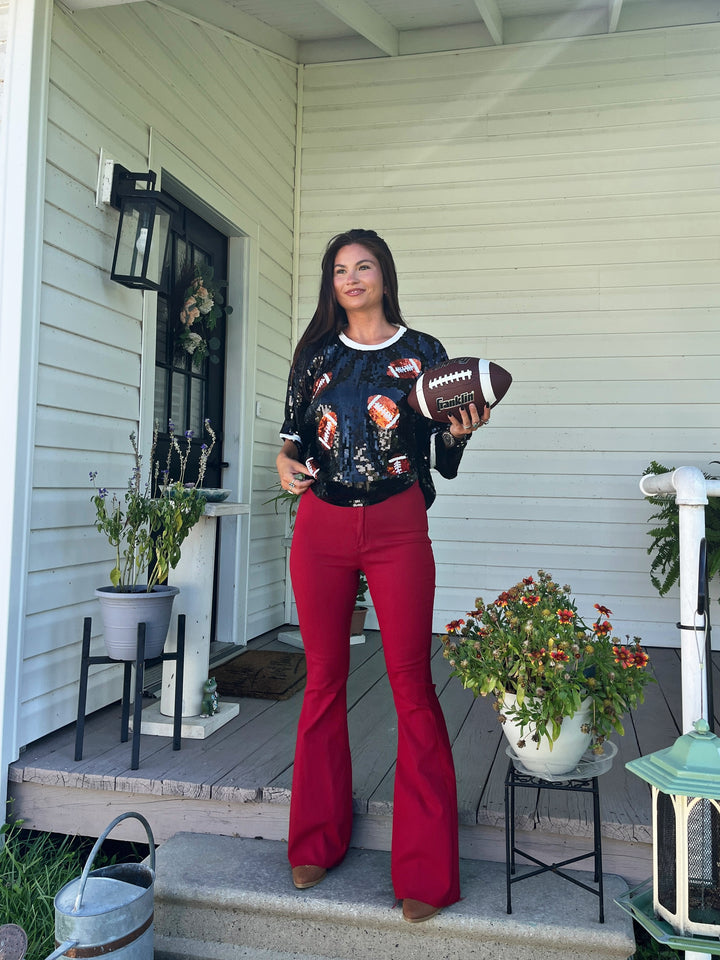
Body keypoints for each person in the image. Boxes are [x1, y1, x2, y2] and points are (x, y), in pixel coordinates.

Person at [276, 228, 489, 923]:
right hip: (323, 528)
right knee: (323, 681)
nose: (352, 276)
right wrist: (284, 466)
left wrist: (460, 431)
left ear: (385, 275)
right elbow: (293, 443)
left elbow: (443, 459)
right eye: (340, 269)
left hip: (398, 522)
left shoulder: (424, 355)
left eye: (363, 265)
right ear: (330, 283)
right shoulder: (315, 357)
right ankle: (316, 840)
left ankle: (426, 873)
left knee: (411, 685)